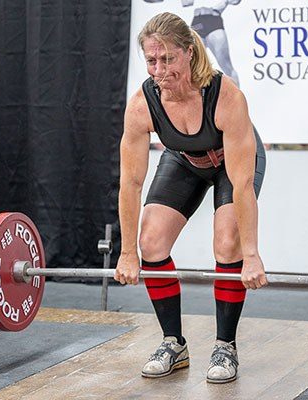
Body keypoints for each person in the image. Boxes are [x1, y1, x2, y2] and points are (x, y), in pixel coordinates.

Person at [114, 12, 266, 384]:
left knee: (227, 244)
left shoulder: (225, 95)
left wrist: (251, 254)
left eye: (168, 59)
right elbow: (130, 183)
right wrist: (128, 252)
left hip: (232, 163)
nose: (160, 69)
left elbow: (242, 185)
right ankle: (174, 343)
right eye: (152, 60)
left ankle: (225, 346)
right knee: (150, 242)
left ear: (189, 54)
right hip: (184, 160)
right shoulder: (141, 105)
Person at [183, 0, 242, 86]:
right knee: (193, 66)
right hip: (196, 22)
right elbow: (185, 4)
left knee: (226, 65)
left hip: (212, 20)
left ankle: (237, 97)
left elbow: (235, 1)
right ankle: (199, 97)